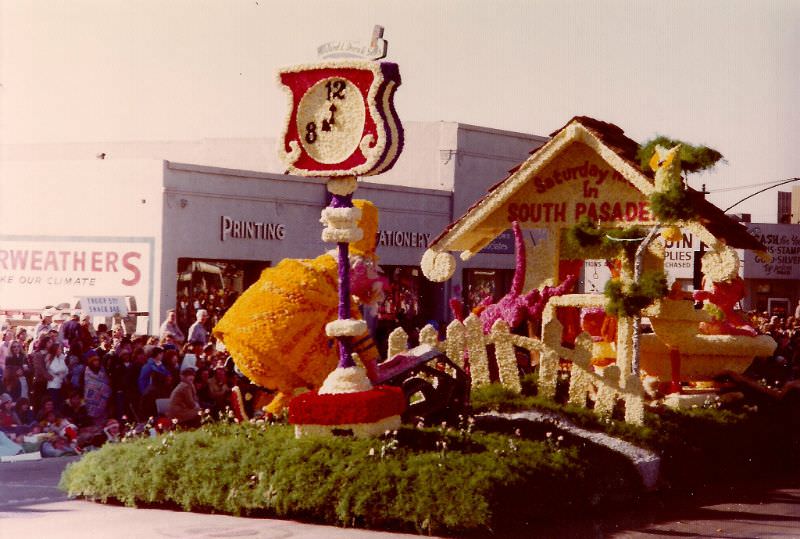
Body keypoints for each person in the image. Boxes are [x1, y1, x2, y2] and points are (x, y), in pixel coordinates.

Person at [83, 350, 112, 426]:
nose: (96, 362)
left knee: (104, 417)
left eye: (97, 360)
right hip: (91, 398)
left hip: (103, 398)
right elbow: (85, 384)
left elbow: (106, 382)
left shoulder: (102, 371)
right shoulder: (86, 372)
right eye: (94, 361)